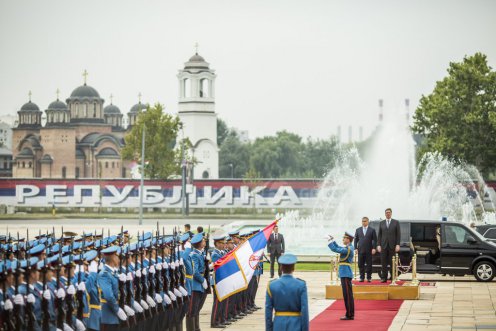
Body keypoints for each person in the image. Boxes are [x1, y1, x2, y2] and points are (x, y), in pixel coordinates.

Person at [265, 253, 309, 331]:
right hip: (296, 325)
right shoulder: (301, 285)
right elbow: (304, 310)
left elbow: (268, 311)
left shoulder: (272, 285)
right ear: (293, 268)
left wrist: (269, 329)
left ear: (281, 268)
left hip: (278, 324)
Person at [327, 232, 355, 320]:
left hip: (346, 273)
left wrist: (329, 242)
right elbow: (338, 247)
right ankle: (349, 313)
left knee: (347, 295)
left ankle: (349, 314)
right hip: (344, 273)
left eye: (344, 238)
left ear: (348, 239)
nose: (343, 240)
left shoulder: (349, 249)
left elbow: (336, 249)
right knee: (347, 294)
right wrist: (333, 240)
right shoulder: (348, 247)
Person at [377, 208, 401, 283]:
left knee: (392, 262)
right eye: (386, 212)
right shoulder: (381, 223)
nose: (388, 213)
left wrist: (397, 244)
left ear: (391, 213)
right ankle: (384, 278)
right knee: (383, 262)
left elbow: (398, 234)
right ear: (385, 214)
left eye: (389, 212)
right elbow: (379, 235)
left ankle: (393, 277)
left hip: (392, 246)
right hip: (383, 246)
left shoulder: (396, 222)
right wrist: (378, 245)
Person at [353, 216, 377, 282]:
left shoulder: (372, 230)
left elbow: (375, 240)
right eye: (363, 221)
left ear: (368, 222)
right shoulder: (358, 230)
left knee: (369, 264)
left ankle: (369, 277)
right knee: (360, 264)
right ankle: (362, 277)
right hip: (360, 250)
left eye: (365, 221)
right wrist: (355, 248)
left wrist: (374, 248)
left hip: (369, 250)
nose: (364, 222)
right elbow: (355, 240)